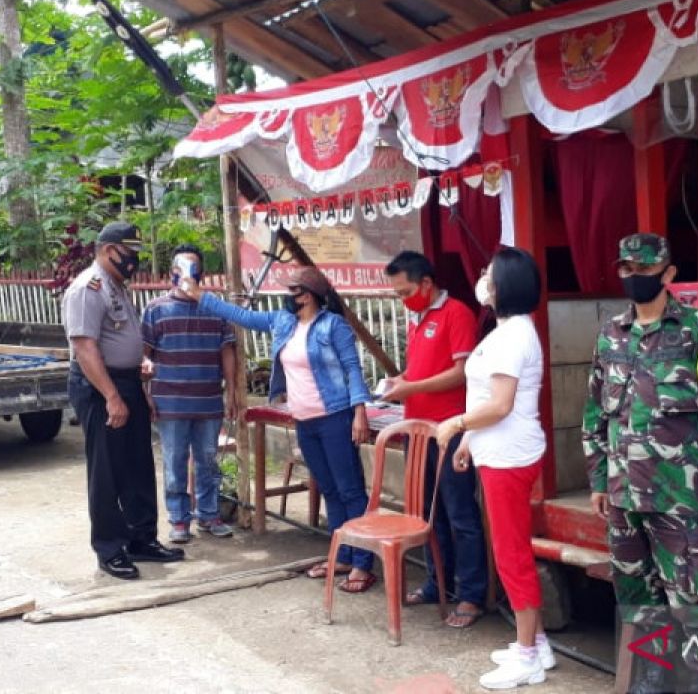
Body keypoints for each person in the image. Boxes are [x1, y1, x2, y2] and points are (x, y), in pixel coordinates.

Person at [582, 233, 698, 694]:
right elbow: (596, 410)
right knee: (636, 594)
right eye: (626, 270)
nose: (634, 278)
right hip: (622, 494)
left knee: (697, 595)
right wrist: (598, 477)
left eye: (644, 270)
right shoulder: (611, 333)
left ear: (668, 274)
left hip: (680, 494)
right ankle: (652, 675)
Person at [188, 266, 376, 593]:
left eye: (296, 292)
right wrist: (201, 297)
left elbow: (352, 369)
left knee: (349, 490)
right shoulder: (283, 322)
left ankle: (363, 563)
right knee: (330, 489)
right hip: (304, 420)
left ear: (312, 294)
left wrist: (359, 411)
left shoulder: (334, 326)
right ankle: (342, 554)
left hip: (335, 417)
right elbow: (242, 316)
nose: (290, 297)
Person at [436, 247, 554, 690]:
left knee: (511, 556)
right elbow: (489, 399)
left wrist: (457, 424)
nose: (482, 278)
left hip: (509, 456)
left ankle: (528, 657)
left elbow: (501, 406)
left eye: (488, 273)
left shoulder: (512, 336)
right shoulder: (504, 331)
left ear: (505, 285)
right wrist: (470, 439)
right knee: (512, 550)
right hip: (497, 451)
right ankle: (537, 642)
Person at [63, 221, 183, 580]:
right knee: (107, 471)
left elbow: (120, 342)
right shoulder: (88, 288)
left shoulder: (115, 285)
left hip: (126, 382)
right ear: (107, 249)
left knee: (137, 465)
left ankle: (142, 539)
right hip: (101, 387)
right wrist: (112, 396)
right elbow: (84, 348)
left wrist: (137, 379)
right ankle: (110, 549)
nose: (134, 259)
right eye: (128, 252)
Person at [382, 251, 486, 629]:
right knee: (426, 512)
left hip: (448, 429)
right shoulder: (418, 316)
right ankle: (435, 582)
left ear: (427, 283)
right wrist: (401, 381)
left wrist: (411, 385)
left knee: (460, 513)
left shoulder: (456, 312)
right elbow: (423, 368)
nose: (402, 298)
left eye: (405, 290)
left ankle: (472, 593)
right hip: (417, 428)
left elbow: (461, 373)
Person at [141, 245, 237, 543]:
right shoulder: (156, 309)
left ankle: (208, 515)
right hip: (170, 402)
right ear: (172, 272)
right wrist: (145, 393)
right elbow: (144, 355)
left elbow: (228, 353)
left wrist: (232, 391)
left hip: (208, 399)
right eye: (181, 267)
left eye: (192, 268)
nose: (186, 274)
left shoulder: (216, 309)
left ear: (201, 274)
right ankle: (179, 519)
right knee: (175, 461)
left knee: (207, 460)